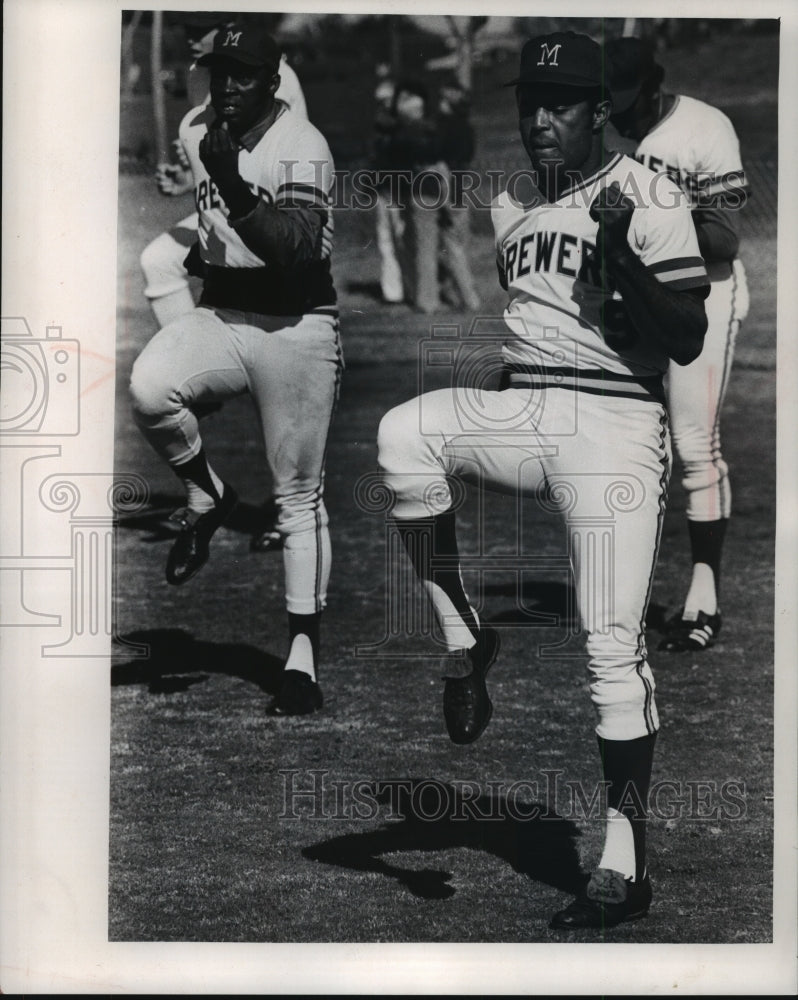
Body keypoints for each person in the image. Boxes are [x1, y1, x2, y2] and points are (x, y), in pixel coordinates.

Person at [376, 31, 709, 928]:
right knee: (404, 433)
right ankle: (466, 635)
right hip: (528, 408)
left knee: (610, 650)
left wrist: (625, 258)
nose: (540, 120)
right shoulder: (513, 202)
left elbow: (683, 334)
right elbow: (535, 336)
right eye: (529, 103)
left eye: (559, 104)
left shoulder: (650, 192)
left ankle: (624, 864)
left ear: (600, 111)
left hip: (615, 427)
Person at [130, 21, 342, 716]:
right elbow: (210, 235)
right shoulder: (200, 129)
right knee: (149, 389)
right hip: (223, 314)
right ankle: (209, 493)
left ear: (274, 78)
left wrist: (230, 181)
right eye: (219, 73)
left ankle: (301, 660)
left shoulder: (301, 145)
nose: (226, 87)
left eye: (243, 74)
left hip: (296, 323)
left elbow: (298, 249)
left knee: (297, 498)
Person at [606, 36, 749, 652]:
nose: (616, 113)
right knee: (633, 444)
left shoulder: (703, 126)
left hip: (705, 297)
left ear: (654, 86)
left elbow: (723, 238)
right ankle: (625, 593)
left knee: (694, 445)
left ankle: (704, 592)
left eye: (626, 100)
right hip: (636, 297)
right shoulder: (605, 133)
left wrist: (650, 211)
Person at [140, 12, 309, 329]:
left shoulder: (274, 73)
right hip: (233, 204)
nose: (191, 38)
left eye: (201, 31)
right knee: (159, 261)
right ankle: (191, 358)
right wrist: (190, 178)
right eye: (187, 29)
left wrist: (212, 145)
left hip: (281, 210)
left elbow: (264, 148)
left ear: (230, 30)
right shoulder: (199, 74)